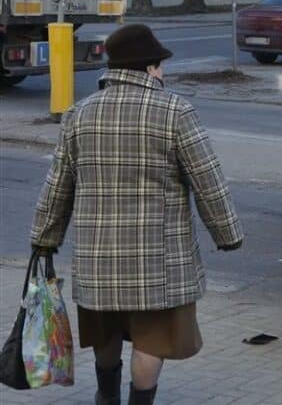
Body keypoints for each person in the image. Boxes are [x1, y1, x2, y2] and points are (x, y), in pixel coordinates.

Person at [29, 24, 244, 405]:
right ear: (148, 68)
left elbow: (58, 184)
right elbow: (208, 180)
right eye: (160, 65)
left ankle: (106, 397)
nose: (162, 72)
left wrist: (44, 238)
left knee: (106, 334)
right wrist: (227, 234)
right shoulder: (175, 111)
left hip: (97, 259)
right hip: (156, 264)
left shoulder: (79, 115)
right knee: (152, 340)